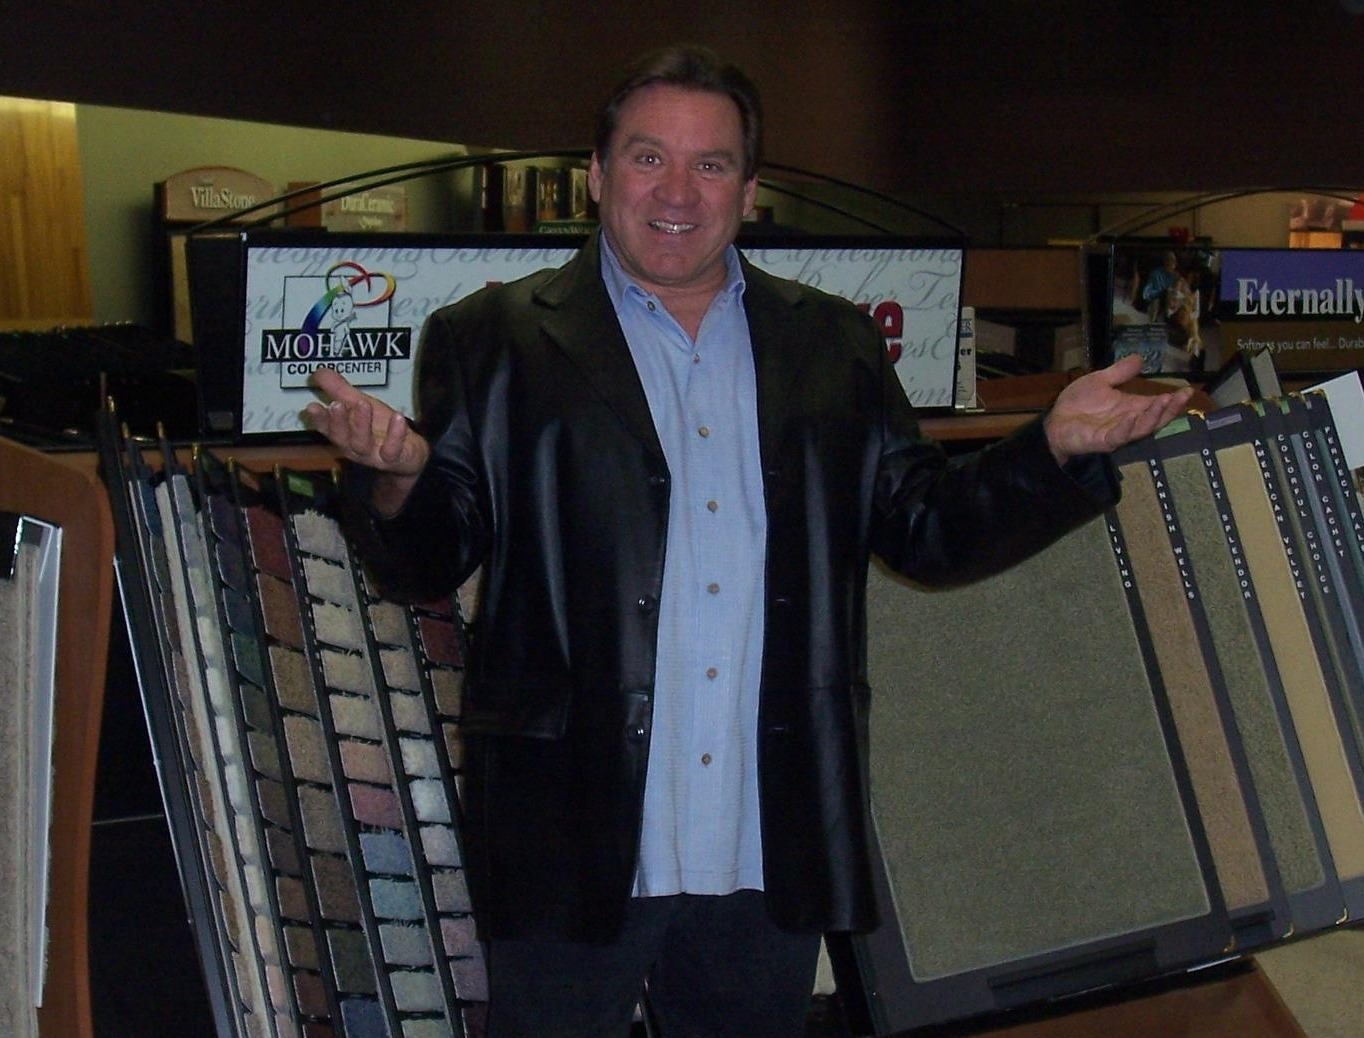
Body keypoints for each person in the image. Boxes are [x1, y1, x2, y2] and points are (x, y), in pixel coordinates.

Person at [303, 44, 1193, 1038]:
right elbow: (432, 555)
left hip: (764, 837)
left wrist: (1052, 449)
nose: (677, 191)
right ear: (596, 176)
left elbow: (926, 529)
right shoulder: (494, 339)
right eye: (647, 159)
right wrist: (396, 476)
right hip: (571, 825)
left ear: (748, 189)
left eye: (710, 164)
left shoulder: (832, 344)